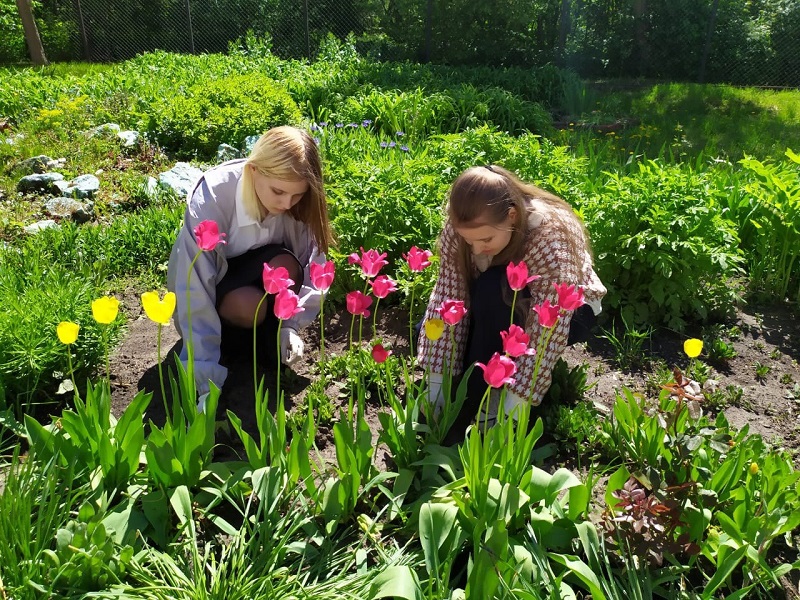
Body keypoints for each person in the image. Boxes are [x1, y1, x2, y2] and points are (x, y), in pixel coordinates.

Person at [417, 164, 606, 435]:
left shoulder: (550, 236)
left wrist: (515, 406)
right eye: (469, 241)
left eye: (485, 239)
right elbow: (448, 297)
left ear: (512, 216)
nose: (476, 249)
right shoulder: (463, 228)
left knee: (492, 290)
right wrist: (437, 386)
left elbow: (549, 327)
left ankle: (489, 400)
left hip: (569, 312)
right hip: (497, 299)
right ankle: (461, 389)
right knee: (441, 322)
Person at [167, 126, 335, 404]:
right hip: (218, 294)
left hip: (262, 283)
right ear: (254, 169)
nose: (286, 203)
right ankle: (225, 350)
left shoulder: (297, 203)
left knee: (285, 265)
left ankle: (268, 340)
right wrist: (202, 374)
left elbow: (314, 264)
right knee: (248, 304)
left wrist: (290, 325)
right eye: (278, 191)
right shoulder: (213, 196)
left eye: (297, 195)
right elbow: (192, 284)